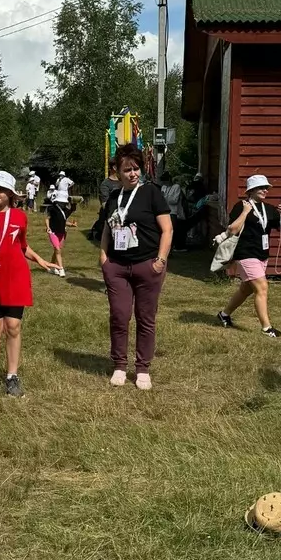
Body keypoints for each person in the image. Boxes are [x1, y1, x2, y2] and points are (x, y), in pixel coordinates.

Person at [0, 170, 59, 399]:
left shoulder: (20, 217)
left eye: (1, 189)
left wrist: (40, 260)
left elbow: (22, 246)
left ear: (11, 194)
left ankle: (12, 376)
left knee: (13, 327)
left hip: (15, 279)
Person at [99, 143, 173, 390]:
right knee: (119, 316)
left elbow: (167, 229)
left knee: (145, 318)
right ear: (117, 172)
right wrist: (103, 257)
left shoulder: (151, 193)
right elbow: (107, 228)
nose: (133, 174)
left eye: (136, 168)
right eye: (127, 170)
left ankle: (142, 368)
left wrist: (160, 261)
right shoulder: (113, 197)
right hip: (117, 266)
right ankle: (120, 364)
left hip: (147, 264)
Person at [218, 173, 281, 338]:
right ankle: (267, 328)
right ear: (251, 190)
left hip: (262, 255)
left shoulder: (269, 209)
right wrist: (245, 212)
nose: (265, 190)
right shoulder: (241, 206)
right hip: (245, 253)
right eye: (261, 187)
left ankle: (224, 314)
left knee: (246, 289)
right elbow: (232, 230)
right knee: (262, 287)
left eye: (266, 188)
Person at [159, 170, 187, 251]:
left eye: (165, 181)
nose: (164, 183)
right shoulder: (163, 187)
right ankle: (167, 246)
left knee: (172, 230)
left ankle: (173, 246)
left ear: (169, 180)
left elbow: (174, 200)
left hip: (173, 212)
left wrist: (164, 197)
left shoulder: (176, 187)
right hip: (164, 211)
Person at [46, 195, 70, 278]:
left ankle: (52, 266)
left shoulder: (64, 211)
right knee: (57, 249)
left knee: (57, 250)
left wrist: (71, 224)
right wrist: (48, 227)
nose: (64, 204)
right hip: (53, 232)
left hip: (62, 233)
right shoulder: (52, 209)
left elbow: (64, 221)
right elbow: (47, 218)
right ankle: (61, 268)